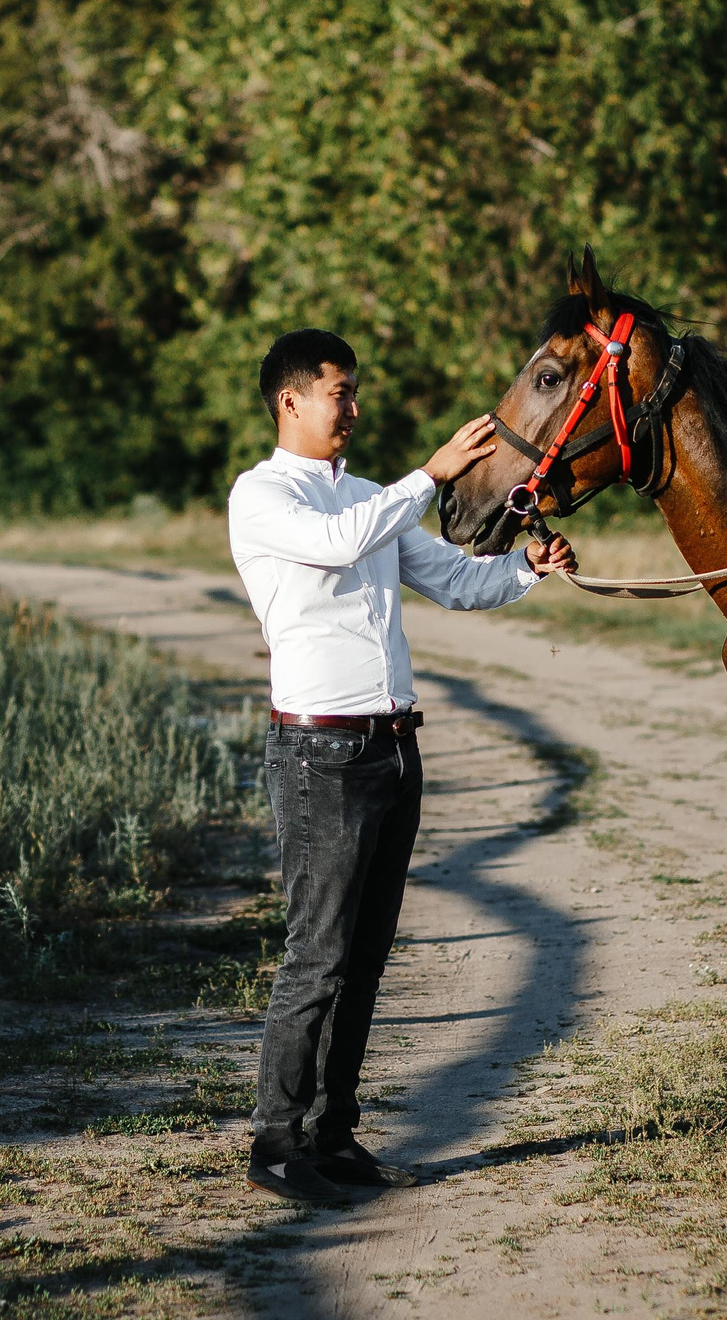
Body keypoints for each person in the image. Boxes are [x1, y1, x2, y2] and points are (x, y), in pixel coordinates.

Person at [228, 328, 576, 1203]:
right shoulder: (263, 497)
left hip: (391, 745)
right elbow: (344, 541)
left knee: (369, 952)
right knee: (319, 952)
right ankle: (278, 1140)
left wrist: (526, 569)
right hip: (320, 752)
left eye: (353, 391)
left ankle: (332, 1133)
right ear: (291, 402)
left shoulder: (373, 500)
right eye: (339, 392)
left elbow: (458, 580)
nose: (353, 407)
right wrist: (431, 475)